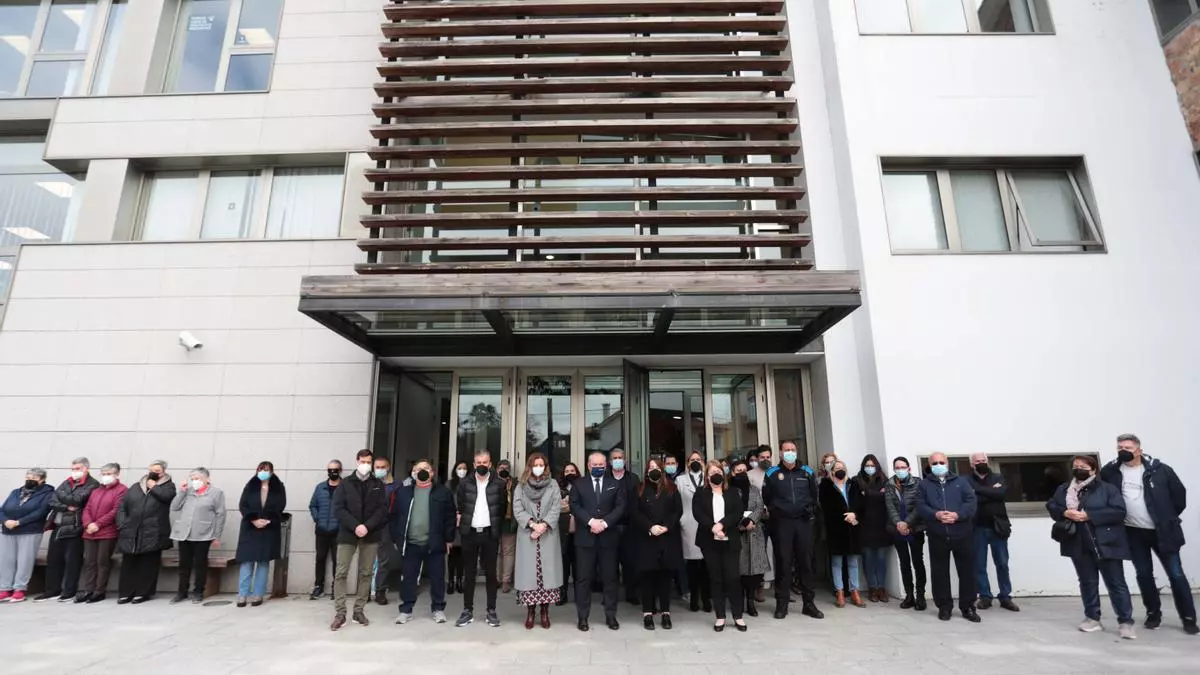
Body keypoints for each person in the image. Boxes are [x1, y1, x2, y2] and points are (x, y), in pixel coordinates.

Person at [1100, 433, 1196, 634]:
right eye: (1119, 448)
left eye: (1127, 448)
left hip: (1163, 532)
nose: (1123, 451)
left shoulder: (1160, 470)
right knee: (1143, 574)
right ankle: (1153, 614)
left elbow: (1179, 497)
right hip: (1133, 533)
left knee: (1176, 574)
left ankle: (1188, 618)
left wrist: (1166, 518)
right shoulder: (1111, 471)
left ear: (1139, 450)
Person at [1048, 455, 1136, 639]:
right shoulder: (1064, 488)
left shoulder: (1107, 488)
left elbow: (1119, 512)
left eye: (1083, 466)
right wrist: (1065, 512)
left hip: (1105, 542)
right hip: (1077, 542)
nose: (1078, 469)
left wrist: (1089, 515)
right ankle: (1092, 618)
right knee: (1087, 582)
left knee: (1116, 583)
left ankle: (1126, 622)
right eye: (1075, 466)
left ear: (1093, 470)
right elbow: (1052, 505)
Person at [917, 452, 980, 623]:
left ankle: (968, 607)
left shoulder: (962, 482)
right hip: (937, 534)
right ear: (929, 465)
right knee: (939, 573)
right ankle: (944, 607)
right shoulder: (924, 485)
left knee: (967, 572)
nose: (938, 465)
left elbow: (971, 503)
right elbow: (921, 505)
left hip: (962, 533)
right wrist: (935, 514)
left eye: (941, 462)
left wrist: (958, 515)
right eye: (934, 463)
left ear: (947, 463)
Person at [762, 443, 823, 620]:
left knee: (806, 563)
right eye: (786, 450)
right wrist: (777, 511)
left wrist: (809, 511)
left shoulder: (807, 471)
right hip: (782, 524)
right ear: (781, 453)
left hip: (803, 522)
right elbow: (767, 497)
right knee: (783, 563)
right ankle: (782, 604)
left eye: (793, 450)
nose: (790, 453)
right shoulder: (772, 473)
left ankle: (809, 604)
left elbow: (814, 495)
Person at [330, 449, 388, 631]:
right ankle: (340, 613)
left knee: (366, 573)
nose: (365, 465)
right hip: (348, 533)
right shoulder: (345, 483)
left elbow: (381, 509)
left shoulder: (378, 484)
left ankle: (359, 611)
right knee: (341, 573)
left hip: (370, 533)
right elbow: (338, 508)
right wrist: (355, 526)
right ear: (357, 462)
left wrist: (367, 526)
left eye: (368, 462)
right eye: (363, 461)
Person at [393, 458, 456, 625]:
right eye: (418, 469)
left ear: (432, 473)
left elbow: (450, 516)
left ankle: (438, 609)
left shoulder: (442, 492)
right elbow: (394, 516)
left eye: (426, 468)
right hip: (411, 544)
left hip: (435, 543)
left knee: (437, 578)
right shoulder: (403, 492)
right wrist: (397, 538)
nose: (422, 471)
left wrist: (449, 539)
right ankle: (406, 610)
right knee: (408, 578)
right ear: (413, 473)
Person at [570, 451, 627, 631]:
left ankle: (611, 616)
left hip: (608, 538)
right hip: (585, 539)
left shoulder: (614, 484)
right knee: (583, 579)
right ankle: (582, 617)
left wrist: (605, 523)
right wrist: (590, 521)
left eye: (601, 465)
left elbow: (620, 507)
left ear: (606, 466)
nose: (598, 468)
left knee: (610, 579)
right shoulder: (579, 484)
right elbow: (575, 505)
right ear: (588, 466)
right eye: (595, 465)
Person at [455, 449, 506, 628]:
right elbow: (461, 505)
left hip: (489, 533)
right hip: (469, 533)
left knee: (491, 574)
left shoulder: (499, 484)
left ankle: (491, 611)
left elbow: (501, 507)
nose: (482, 465)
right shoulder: (464, 483)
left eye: (485, 462)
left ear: (490, 464)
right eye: (479, 463)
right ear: (474, 464)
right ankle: (467, 610)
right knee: (469, 573)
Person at [693, 460, 747, 632]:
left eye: (718, 471)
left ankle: (737, 616)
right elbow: (698, 513)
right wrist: (713, 527)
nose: (715, 475)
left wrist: (722, 524)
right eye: (711, 473)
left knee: (733, 578)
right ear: (707, 477)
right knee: (715, 578)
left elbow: (738, 512)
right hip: (709, 541)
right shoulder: (700, 493)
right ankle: (720, 616)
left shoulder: (732, 492)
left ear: (723, 474)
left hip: (730, 540)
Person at [37, 457, 100, 602]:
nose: (75, 471)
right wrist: (66, 507)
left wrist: (63, 497)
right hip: (58, 526)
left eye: (78, 469)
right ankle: (52, 590)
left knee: (72, 561)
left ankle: (69, 591)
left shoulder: (92, 484)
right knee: (53, 560)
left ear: (86, 468)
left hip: (75, 527)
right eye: (73, 469)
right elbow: (52, 500)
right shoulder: (67, 482)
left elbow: (78, 500)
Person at [513, 452, 563, 629]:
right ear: (530, 466)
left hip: (547, 534)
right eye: (535, 465)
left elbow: (556, 507)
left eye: (541, 465)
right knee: (529, 575)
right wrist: (532, 525)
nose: (538, 468)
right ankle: (530, 611)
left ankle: (544, 611)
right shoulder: (521, 485)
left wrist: (544, 525)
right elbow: (517, 508)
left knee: (546, 576)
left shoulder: (553, 484)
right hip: (528, 534)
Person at [632, 457, 682, 630]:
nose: (653, 470)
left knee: (665, 579)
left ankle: (665, 613)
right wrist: (650, 527)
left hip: (667, 538)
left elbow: (677, 511)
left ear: (662, 470)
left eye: (657, 467)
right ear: (646, 471)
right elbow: (635, 512)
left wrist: (666, 526)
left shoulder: (672, 488)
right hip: (647, 539)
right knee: (647, 578)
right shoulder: (639, 489)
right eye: (650, 467)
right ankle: (647, 613)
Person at [116, 461, 176, 604]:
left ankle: (143, 592)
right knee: (129, 562)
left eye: (158, 471)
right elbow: (123, 506)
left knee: (148, 563)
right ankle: (126, 592)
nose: (154, 473)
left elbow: (167, 498)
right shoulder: (136, 486)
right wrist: (122, 523)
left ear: (163, 472)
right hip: (132, 530)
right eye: (152, 470)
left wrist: (154, 487)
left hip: (153, 531)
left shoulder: (168, 486)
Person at [969, 452, 1018, 612]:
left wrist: (978, 490)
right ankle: (985, 596)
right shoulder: (966, 480)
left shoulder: (998, 477)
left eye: (983, 460)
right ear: (972, 464)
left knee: (1002, 563)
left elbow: (1001, 494)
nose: (981, 462)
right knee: (979, 565)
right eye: (977, 461)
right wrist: (990, 491)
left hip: (998, 527)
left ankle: (1005, 596)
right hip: (977, 528)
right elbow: (971, 498)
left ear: (988, 461)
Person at [169, 467, 225, 604]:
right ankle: (181, 592)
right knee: (184, 564)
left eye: (197, 479)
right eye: (192, 479)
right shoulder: (188, 491)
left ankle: (198, 591)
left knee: (200, 564)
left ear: (206, 479)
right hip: (184, 534)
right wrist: (181, 491)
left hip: (203, 534)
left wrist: (217, 536)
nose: (194, 481)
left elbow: (221, 514)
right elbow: (174, 507)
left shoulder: (216, 493)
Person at [236, 461, 286, 608]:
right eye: (261, 469)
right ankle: (242, 594)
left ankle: (258, 594)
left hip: (268, 528)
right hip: (250, 528)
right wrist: (253, 519)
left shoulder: (278, 487)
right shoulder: (250, 485)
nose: (263, 472)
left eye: (266, 469)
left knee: (263, 562)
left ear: (272, 472)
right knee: (247, 561)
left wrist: (268, 520)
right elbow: (243, 505)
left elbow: (280, 505)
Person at [0, 468, 54, 603]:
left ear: (42, 480)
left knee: (24, 560)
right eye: (28, 477)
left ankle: (19, 589)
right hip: (8, 530)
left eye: (34, 478)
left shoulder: (48, 493)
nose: (30, 480)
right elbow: (2, 509)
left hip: (30, 531)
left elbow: (41, 512)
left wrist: (19, 522)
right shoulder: (16, 492)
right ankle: (5, 589)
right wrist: (5, 521)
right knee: (6, 560)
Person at [78, 462, 127, 603]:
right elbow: (87, 508)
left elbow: (116, 510)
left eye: (109, 474)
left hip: (107, 532)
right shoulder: (96, 490)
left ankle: (99, 591)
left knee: (102, 562)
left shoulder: (122, 490)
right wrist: (88, 523)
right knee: (90, 562)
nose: (105, 476)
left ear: (117, 474)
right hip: (90, 532)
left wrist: (98, 524)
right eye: (103, 474)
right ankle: (88, 590)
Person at [820, 460, 865, 608]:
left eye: (842, 467)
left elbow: (860, 503)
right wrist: (843, 516)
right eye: (837, 468)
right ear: (832, 471)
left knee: (853, 562)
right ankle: (839, 592)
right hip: (836, 528)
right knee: (837, 562)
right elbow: (825, 506)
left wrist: (854, 514)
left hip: (852, 527)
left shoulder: (853, 484)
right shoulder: (826, 486)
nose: (840, 470)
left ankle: (855, 591)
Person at [885, 456, 926, 610]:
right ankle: (909, 596)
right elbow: (890, 506)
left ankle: (920, 596)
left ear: (909, 468)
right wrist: (899, 524)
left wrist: (907, 523)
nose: (900, 470)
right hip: (897, 529)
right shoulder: (889, 484)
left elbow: (919, 506)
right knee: (904, 563)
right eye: (897, 468)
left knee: (918, 562)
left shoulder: (918, 483)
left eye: (903, 467)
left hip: (915, 528)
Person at [729, 458, 767, 617]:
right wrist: (742, 523)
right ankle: (739, 601)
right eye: (739, 471)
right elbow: (729, 510)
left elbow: (759, 506)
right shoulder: (728, 490)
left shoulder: (754, 489)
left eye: (744, 470)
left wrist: (751, 520)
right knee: (739, 572)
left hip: (754, 533)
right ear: (732, 473)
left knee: (753, 573)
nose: (742, 473)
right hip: (737, 534)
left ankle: (750, 602)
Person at [676, 450, 711, 613]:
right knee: (691, 565)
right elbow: (677, 502)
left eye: (698, 459)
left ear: (703, 462)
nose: (695, 462)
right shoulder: (680, 479)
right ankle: (694, 598)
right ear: (688, 463)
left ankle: (706, 598)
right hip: (688, 523)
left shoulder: (708, 478)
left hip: (707, 524)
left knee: (706, 564)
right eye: (692, 460)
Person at [608, 447, 641, 605]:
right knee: (610, 563)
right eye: (614, 458)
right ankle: (611, 595)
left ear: (625, 460)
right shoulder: (605, 478)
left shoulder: (633, 479)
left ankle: (631, 593)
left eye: (620, 458)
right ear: (610, 462)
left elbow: (638, 502)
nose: (617, 461)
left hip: (629, 526)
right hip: (610, 526)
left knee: (630, 562)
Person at [857, 454, 891, 603]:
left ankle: (881, 587)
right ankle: (872, 588)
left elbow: (887, 498)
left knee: (881, 558)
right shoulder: (857, 480)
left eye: (872, 465)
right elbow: (858, 501)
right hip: (864, 525)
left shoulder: (885, 480)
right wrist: (878, 494)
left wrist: (868, 493)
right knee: (869, 558)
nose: (870, 468)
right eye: (867, 465)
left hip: (882, 525)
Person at [308, 459, 342, 600]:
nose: (332, 472)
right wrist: (317, 519)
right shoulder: (320, 487)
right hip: (321, 530)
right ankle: (318, 586)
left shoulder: (345, 488)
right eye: (330, 470)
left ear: (340, 471)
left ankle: (336, 588)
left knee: (337, 560)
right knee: (320, 558)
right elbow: (312, 505)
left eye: (335, 470)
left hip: (338, 531)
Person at [371, 456, 396, 605]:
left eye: (383, 467)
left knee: (383, 560)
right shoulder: (367, 483)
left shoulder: (395, 486)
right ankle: (365, 591)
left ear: (388, 468)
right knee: (366, 560)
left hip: (385, 526)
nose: (380, 469)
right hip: (368, 526)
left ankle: (380, 590)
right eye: (377, 467)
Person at [557, 462, 580, 605]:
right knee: (563, 566)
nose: (570, 473)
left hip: (579, 531)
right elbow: (556, 507)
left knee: (578, 566)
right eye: (567, 471)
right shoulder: (557, 488)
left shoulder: (583, 486)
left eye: (572, 471)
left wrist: (569, 506)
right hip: (562, 531)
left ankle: (579, 595)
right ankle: (562, 595)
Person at [496, 458, 518, 595]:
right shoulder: (491, 482)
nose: (504, 470)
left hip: (509, 522)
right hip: (493, 521)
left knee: (508, 552)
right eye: (501, 468)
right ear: (497, 469)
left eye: (506, 468)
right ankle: (496, 579)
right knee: (496, 551)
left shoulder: (515, 484)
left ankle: (506, 580)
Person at [447, 461, 469, 596]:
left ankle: (460, 580)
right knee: (451, 554)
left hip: (466, 522)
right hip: (451, 522)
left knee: (462, 554)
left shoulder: (471, 484)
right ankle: (450, 581)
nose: (462, 470)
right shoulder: (449, 484)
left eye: (464, 468)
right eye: (460, 468)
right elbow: (446, 501)